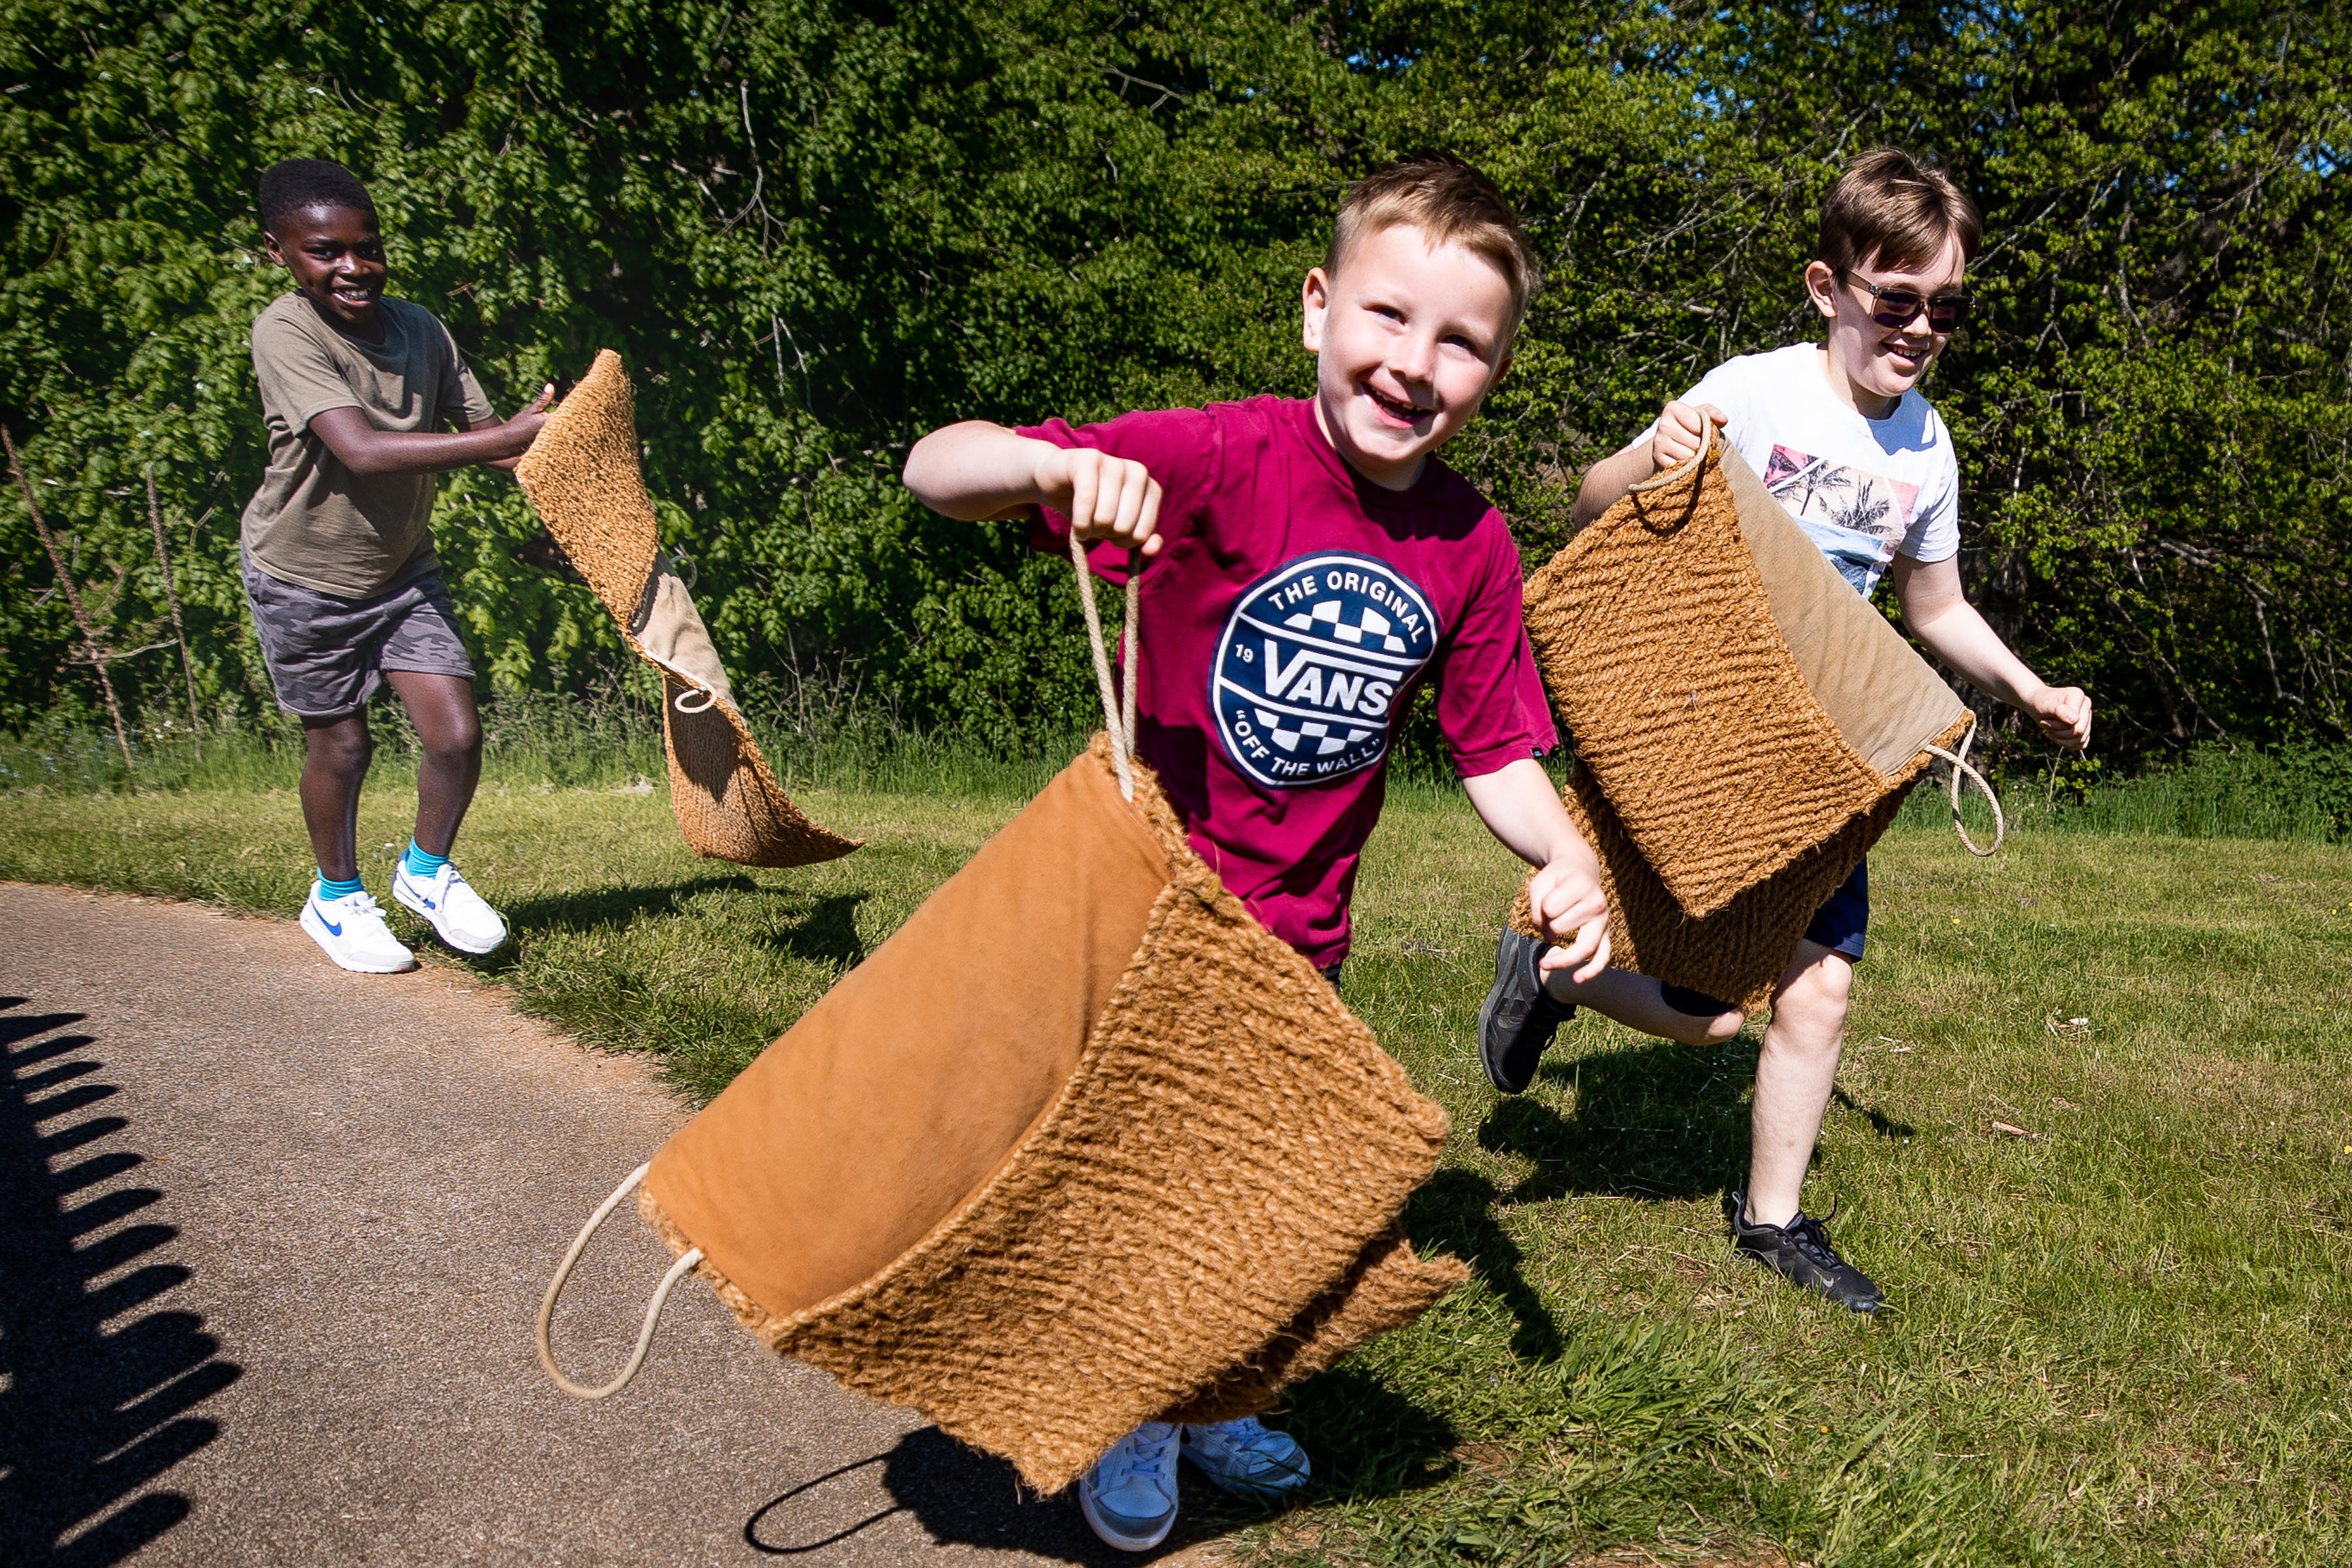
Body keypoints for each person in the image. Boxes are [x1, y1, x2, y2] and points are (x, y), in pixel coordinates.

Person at [903, 154, 1610, 1552]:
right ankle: (1133, 1411)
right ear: (1316, 309)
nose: (1415, 364)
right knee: (1146, 1189)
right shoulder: (1220, 455)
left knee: (1248, 1197)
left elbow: (1495, 753)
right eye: (1387, 316)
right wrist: (1056, 467)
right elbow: (939, 467)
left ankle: (1212, 1391)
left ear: (1498, 371)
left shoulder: (1468, 545)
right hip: (1146, 919)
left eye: (1462, 340)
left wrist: (1572, 855)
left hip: (1303, 940)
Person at [1478, 149, 2093, 1313]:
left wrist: (2030, 686)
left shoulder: (1929, 447)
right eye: (1895, 299)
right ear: (1828, 287)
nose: (1920, 329)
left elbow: (1936, 607)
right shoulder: (1755, 391)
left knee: (1815, 991)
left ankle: (1772, 1223)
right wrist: (1641, 457)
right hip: (1699, 723)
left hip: (1823, 762)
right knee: (1709, 1014)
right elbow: (1591, 511)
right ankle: (1550, 973)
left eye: (1946, 308)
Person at [240, 158, 549, 973]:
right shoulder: (286, 331)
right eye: (324, 251)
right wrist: (503, 440)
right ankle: (335, 900)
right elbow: (363, 450)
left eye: (366, 247)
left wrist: (568, 454)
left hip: (402, 570)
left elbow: (491, 441)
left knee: (456, 732)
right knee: (342, 748)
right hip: (302, 575)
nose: (352, 267)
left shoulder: (421, 328)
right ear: (280, 253)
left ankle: (426, 874)